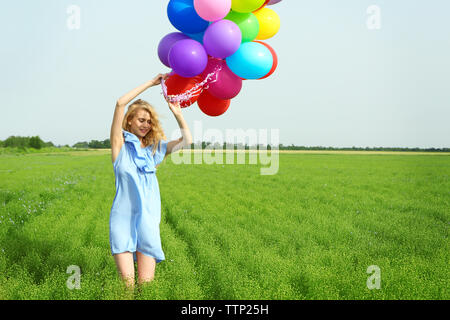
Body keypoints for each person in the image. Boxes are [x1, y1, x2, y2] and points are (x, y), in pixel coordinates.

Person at [109, 73, 192, 288]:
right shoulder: (120, 146)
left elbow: (187, 142)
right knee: (127, 287)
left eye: (149, 121)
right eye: (141, 120)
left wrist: (177, 113)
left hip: (148, 221)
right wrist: (150, 83)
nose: (146, 125)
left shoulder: (156, 149)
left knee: (146, 286)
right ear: (129, 120)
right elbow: (120, 103)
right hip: (122, 220)